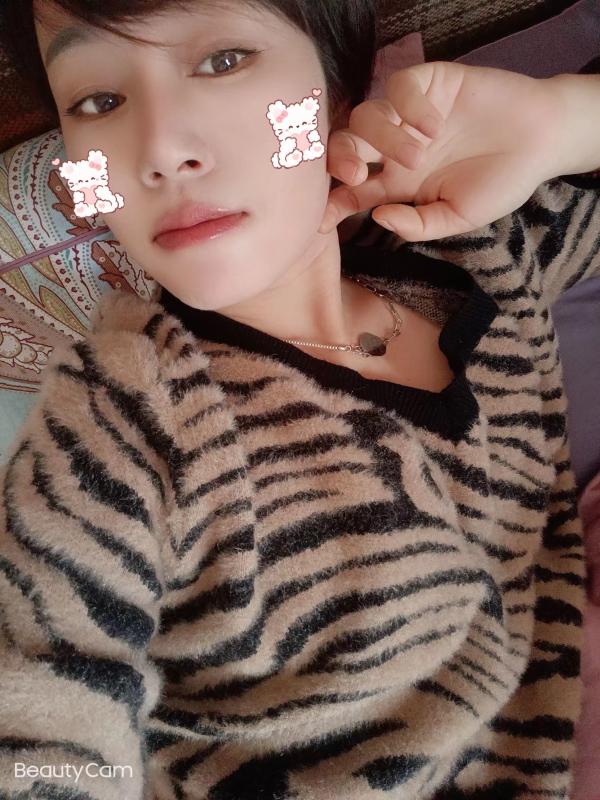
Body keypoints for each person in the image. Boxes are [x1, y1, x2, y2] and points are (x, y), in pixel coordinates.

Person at [0, 1, 599, 798]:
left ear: (340, 93)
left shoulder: (477, 250)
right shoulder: (123, 418)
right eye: (97, 101)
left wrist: (566, 120)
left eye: (223, 62)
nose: (162, 151)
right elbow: (37, 736)